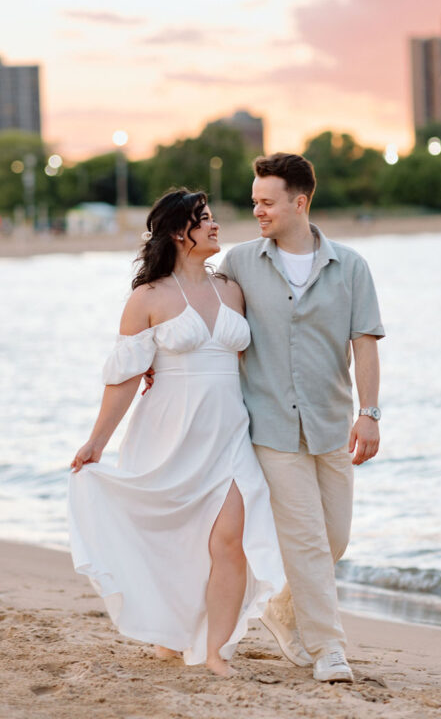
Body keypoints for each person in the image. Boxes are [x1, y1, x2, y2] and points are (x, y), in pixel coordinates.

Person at [68, 189, 285, 677]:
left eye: (211, 218)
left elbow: (258, 360)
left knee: (230, 540)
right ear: (175, 232)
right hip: (169, 431)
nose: (215, 226)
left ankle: (216, 653)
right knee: (172, 539)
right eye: (203, 220)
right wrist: (97, 441)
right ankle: (170, 628)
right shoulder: (148, 297)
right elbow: (125, 376)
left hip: (229, 432)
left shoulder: (233, 289)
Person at [220, 152, 384, 684]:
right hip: (269, 425)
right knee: (309, 540)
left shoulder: (351, 266)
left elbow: (365, 345)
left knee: (335, 538)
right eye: (254, 202)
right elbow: (203, 314)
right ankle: (328, 649)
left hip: (332, 424)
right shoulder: (240, 262)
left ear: (300, 201)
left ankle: (282, 611)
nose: (258, 211)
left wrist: (370, 413)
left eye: (267, 202)